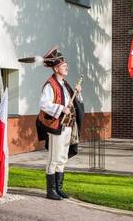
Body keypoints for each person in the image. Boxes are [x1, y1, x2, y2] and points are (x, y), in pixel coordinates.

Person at [36, 46, 84, 200]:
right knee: (53, 158)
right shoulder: (50, 85)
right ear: (56, 68)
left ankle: (59, 188)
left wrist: (79, 93)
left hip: (68, 126)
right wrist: (61, 108)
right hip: (56, 126)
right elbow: (44, 104)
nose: (67, 67)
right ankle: (51, 190)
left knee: (62, 158)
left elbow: (75, 103)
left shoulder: (65, 84)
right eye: (64, 66)